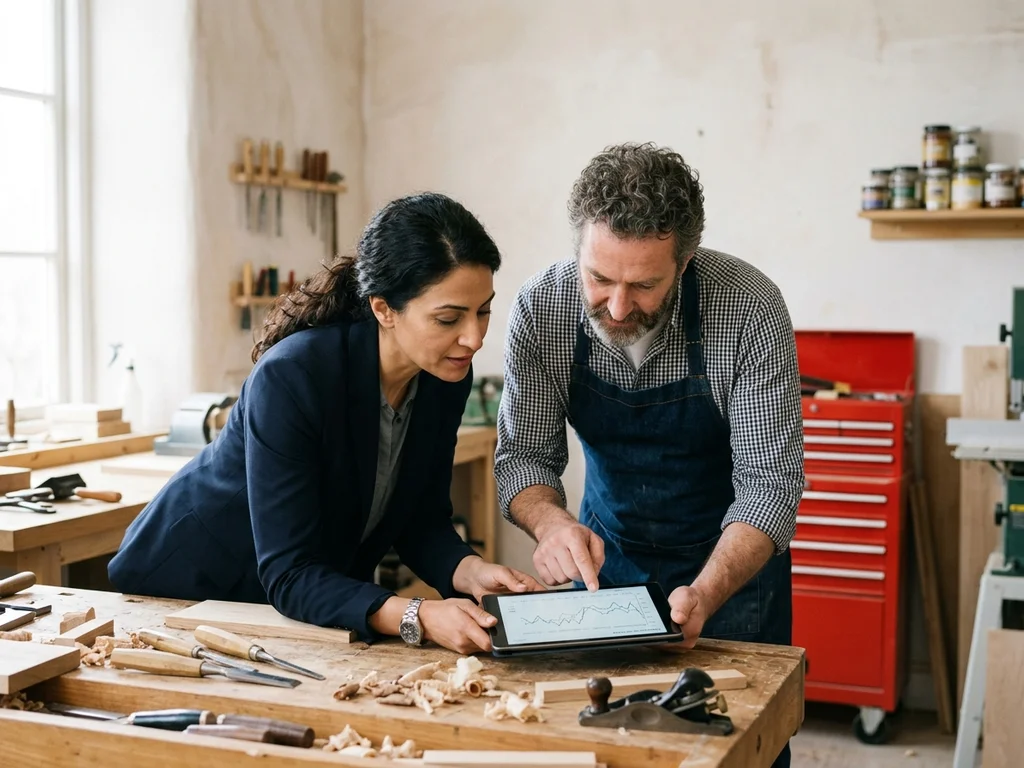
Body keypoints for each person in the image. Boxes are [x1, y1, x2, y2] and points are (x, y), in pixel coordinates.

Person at [109, 192, 542, 655]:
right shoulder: (292, 376)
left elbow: (421, 518)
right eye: (448, 318)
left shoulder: (443, 374)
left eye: (483, 311)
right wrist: (418, 614)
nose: (474, 338)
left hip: (288, 604)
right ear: (383, 310)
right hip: (180, 597)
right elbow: (291, 572)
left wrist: (469, 571)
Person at [494, 143, 803, 765]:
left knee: (741, 748)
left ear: (684, 261)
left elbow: (770, 486)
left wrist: (708, 592)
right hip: (608, 566)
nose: (615, 306)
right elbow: (523, 458)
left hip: (732, 578)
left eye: (643, 285)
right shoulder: (541, 307)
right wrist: (553, 526)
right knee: (605, 744)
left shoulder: (748, 308)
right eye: (599, 278)